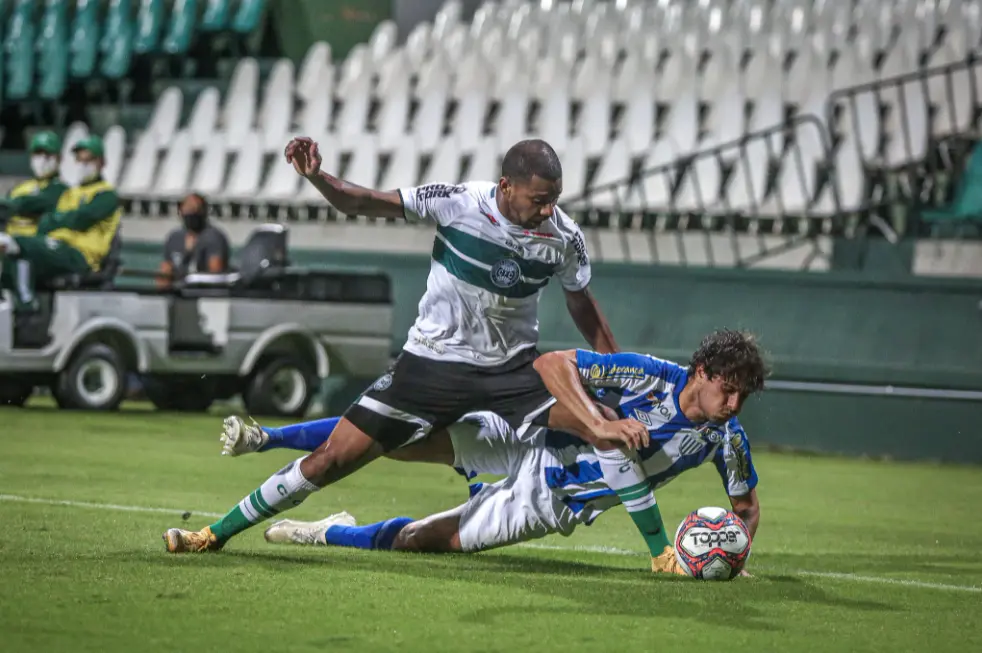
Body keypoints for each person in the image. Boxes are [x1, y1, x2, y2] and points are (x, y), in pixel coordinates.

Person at [162, 136, 647, 553]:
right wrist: (318, 177)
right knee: (333, 459)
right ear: (506, 187)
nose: (547, 210)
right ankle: (214, 533)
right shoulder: (459, 202)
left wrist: (617, 377)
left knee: (602, 424)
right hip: (431, 366)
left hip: (512, 371)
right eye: (539, 200)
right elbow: (360, 202)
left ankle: (660, 549)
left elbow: (582, 304)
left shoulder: (564, 235)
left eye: (554, 200)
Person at [174, 330, 765, 576]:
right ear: (703, 372)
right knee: (389, 438)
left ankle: (327, 533)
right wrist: (594, 418)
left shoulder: (728, 441)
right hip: (529, 442)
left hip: (553, 502)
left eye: (742, 395)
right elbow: (554, 363)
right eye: (728, 389)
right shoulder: (646, 376)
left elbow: (745, 507)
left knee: (421, 542)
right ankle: (272, 436)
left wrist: (736, 552)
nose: (734, 404)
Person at [0, 135, 120, 315]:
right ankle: (18, 311)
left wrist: (59, 219)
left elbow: (79, 218)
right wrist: (59, 219)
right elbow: (46, 224)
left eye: (89, 160)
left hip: (82, 255)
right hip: (59, 249)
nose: (82, 164)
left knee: (19, 243)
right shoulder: (71, 193)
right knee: (11, 258)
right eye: (79, 159)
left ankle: (28, 307)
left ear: (101, 162)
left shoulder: (106, 195)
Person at [0, 131, 69, 236]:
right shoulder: (21, 187)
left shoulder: (61, 189)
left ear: (59, 158)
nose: (42, 159)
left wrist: (9, 205)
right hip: (8, 240)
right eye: (38, 154)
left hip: (35, 244)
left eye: (48, 155)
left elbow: (31, 203)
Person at [158, 193, 230, 288]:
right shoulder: (174, 237)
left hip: (203, 292)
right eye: (188, 209)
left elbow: (215, 273)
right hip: (178, 290)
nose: (192, 213)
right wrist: (186, 252)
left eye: (196, 209)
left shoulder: (214, 237)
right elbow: (166, 267)